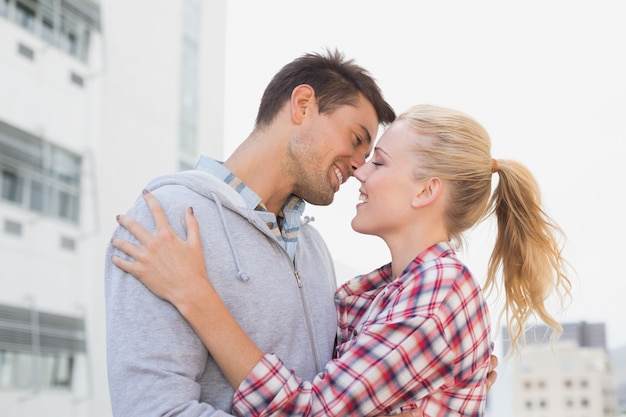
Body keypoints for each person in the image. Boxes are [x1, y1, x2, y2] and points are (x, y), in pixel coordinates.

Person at [113, 104, 564, 416]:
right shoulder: (379, 290)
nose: (359, 172)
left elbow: (308, 411)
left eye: (379, 162)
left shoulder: (436, 297)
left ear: (427, 190)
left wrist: (193, 293)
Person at [105, 48, 440, 417]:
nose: (361, 166)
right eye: (357, 139)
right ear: (303, 104)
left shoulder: (314, 250)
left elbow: (332, 396)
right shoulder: (169, 217)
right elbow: (154, 410)